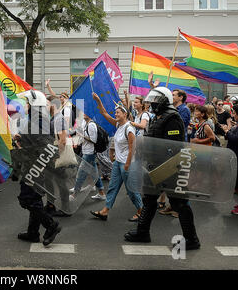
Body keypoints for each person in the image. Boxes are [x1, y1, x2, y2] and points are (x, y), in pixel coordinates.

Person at [124, 86, 201, 250]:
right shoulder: (158, 117)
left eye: (155, 101)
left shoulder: (172, 117)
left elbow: (171, 147)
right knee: (149, 200)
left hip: (170, 168)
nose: (152, 104)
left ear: (163, 102)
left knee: (179, 203)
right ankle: (143, 232)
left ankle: (192, 239)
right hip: (156, 167)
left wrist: (157, 161)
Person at [14, 90, 62, 246]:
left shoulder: (38, 120)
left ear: (34, 105)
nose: (25, 106)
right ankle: (33, 232)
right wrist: (22, 138)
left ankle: (51, 225)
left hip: (34, 166)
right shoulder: (37, 119)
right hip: (33, 165)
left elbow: (43, 145)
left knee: (27, 199)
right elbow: (37, 140)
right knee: (34, 199)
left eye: (27, 103)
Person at [90, 94, 142, 222]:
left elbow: (132, 148)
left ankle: (141, 211)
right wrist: (99, 101)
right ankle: (105, 211)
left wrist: (127, 164)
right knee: (112, 187)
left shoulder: (129, 128)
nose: (116, 114)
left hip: (126, 164)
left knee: (131, 190)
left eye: (118, 113)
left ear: (125, 114)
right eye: (116, 113)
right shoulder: (119, 125)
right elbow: (104, 113)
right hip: (118, 163)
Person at [70, 113, 106, 201]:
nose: (84, 114)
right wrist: (78, 141)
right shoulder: (85, 123)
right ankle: (101, 193)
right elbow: (84, 138)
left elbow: (94, 140)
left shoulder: (91, 125)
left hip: (89, 153)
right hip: (86, 151)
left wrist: (82, 135)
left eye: (86, 113)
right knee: (94, 174)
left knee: (80, 173)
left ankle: (75, 194)